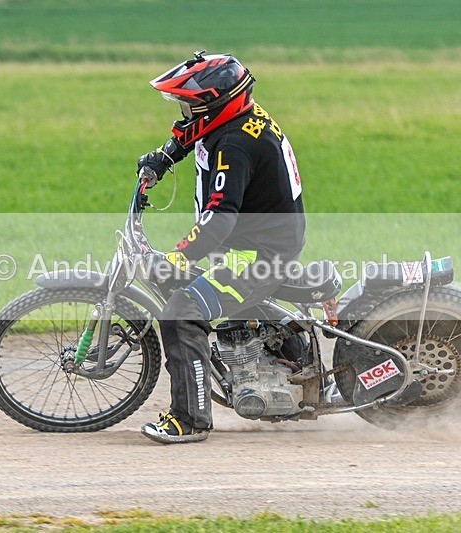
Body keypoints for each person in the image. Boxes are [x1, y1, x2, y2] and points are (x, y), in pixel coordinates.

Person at [136, 51, 306, 444]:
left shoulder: (234, 145)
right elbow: (196, 132)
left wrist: (178, 257)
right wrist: (164, 157)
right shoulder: (237, 120)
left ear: (214, 103)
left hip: (259, 254)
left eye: (191, 103)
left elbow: (219, 219)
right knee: (189, 289)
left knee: (181, 313)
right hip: (252, 240)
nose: (186, 111)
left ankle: (190, 420)